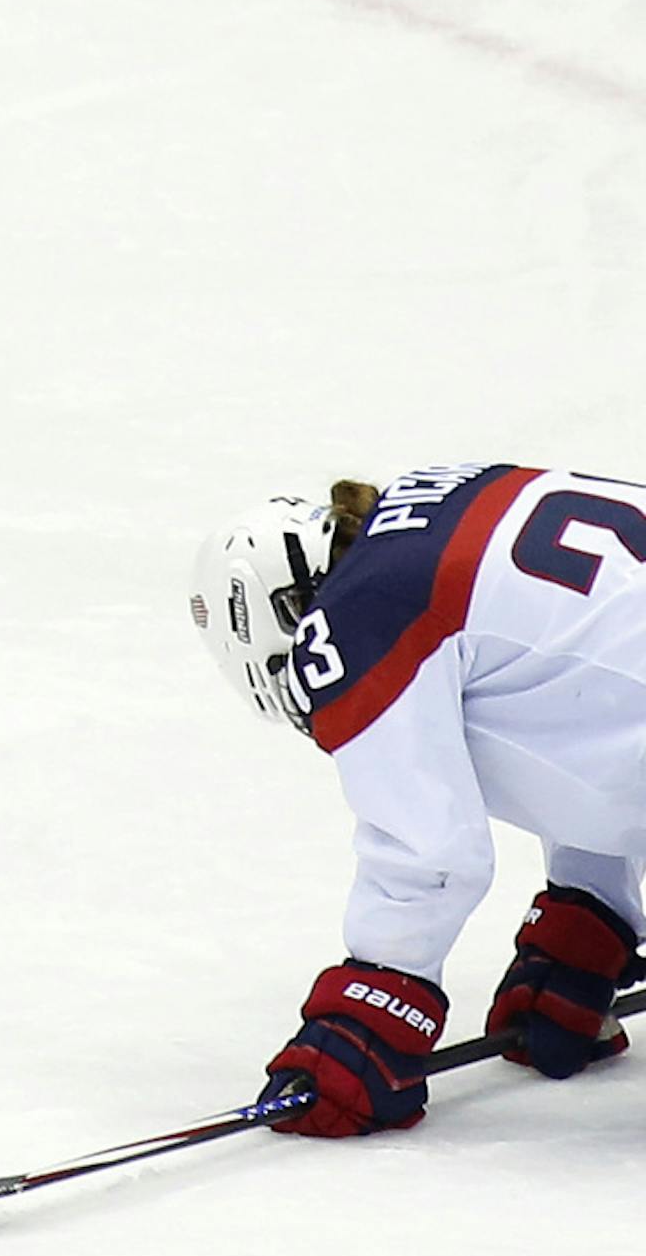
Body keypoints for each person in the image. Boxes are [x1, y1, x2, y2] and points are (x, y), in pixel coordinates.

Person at [191, 466, 646, 1138]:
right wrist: (589, 915)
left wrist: (373, 1007)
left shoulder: (359, 611)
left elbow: (427, 849)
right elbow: (584, 687)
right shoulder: (439, 504)